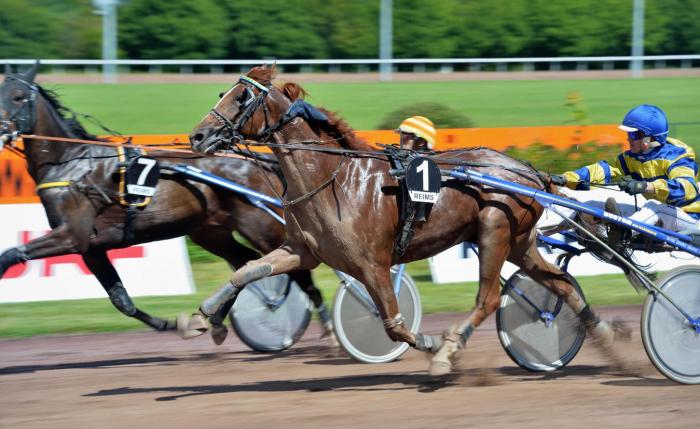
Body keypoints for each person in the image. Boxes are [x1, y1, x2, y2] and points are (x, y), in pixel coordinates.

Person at [551, 104, 700, 243]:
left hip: (689, 218)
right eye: (629, 134)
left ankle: (622, 232)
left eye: (634, 135)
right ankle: (539, 233)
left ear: (650, 138)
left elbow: (687, 188)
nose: (628, 138)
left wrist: (645, 186)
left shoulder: (678, 156)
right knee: (591, 206)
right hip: (659, 215)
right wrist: (566, 178)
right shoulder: (631, 157)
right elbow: (604, 170)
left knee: (653, 206)